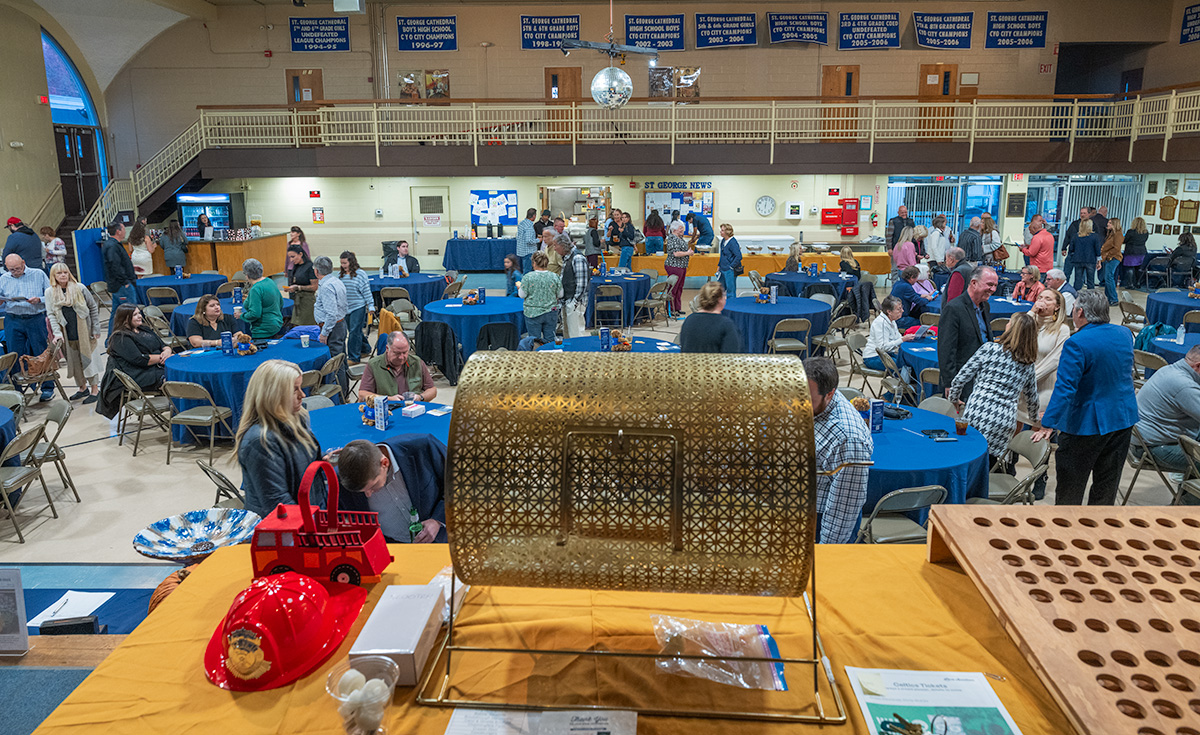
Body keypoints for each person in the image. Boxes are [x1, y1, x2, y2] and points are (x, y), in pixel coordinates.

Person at [1033, 290, 1138, 506]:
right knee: (1107, 486)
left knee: (1071, 488)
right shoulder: (1124, 333)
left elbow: (1065, 388)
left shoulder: (1076, 342)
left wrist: (1048, 423)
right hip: (1122, 418)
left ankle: (1067, 524)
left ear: (1080, 312)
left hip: (1086, 423)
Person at [234, 359, 324, 518]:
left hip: (309, 513)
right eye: (294, 390)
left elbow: (300, 465)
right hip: (288, 526)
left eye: (301, 388)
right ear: (274, 395)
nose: (302, 395)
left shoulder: (297, 418)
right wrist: (312, 526)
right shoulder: (260, 442)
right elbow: (279, 506)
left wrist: (323, 462)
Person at [948, 312, 1039, 466]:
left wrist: (954, 399)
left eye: (1010, 322)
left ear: (1012, 329)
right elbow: (1032, 399)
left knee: (969, 456)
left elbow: (961, 378)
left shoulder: (989, 349)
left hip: (978, 410)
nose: (1006, 324)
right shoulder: (1027, 364)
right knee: (990, 463)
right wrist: (1036, 419)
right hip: (1004, 420)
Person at [806, 356, 873, 544]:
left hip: (821, 521)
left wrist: (828, 553)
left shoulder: (848, 440)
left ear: (830, 394)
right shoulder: (813, 401)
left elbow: (843, 510)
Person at [335, 438, 446, 543]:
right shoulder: (344, 478)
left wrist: (437, 520)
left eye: (372, 486)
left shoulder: (423, 448)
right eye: (362, 491)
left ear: (384, 463)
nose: (368, 495)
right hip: (391, 547)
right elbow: (335, 516)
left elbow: (456, 483)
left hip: (442, 540)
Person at [1131, 344, 1200, 506]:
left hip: (1145, 438)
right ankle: (1183, 510)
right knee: (1198, 459)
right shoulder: (1184, 385)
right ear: (1198, 366)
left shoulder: (1170, 369)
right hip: (1152, 448)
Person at [938, 265, 998, 400]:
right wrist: (950, 383)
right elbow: (946, 349)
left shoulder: (985, 306)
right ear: (974, 283)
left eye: (995, 285)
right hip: (962, 379)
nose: (993, 289)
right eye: (990, 284)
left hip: (983, 376)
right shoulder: (954, 308)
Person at [0, 254, 54, 401]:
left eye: (17, 269)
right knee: (14, 354)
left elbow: (51, 295)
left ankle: (47, 387)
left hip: (35, 318)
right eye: (11, 270)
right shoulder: (4, 278)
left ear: (23, 263)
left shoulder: (38, 274)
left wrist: (39, 299)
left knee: (40, 352)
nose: (15, 272)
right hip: (13, 319)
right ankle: (17, 391)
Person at [45, 263, 101, 402]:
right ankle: (82, 388)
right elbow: (51, 314)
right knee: (74, 361)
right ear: (53, 276)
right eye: (59, 273)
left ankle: (95, 390)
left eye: (65, 272)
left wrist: (96, 328)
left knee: (89, 361)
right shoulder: (50, 292)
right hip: (67, 333)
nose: (63, 275)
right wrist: (57, 333)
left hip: (85, 332)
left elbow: (93, 307)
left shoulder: (80, 288)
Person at [1017, 288, 1071, 428]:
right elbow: (1015, 336)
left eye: (1048, 299)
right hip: (1022, 385)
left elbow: (1054, 361)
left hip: (1044, 386)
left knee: (1036, 432)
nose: (1042, 301)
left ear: (1057, 306)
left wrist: (1028, 380)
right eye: (1040, 297)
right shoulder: (1030, 323)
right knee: (1013, 429)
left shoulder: (1062, 329)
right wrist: (1031, 312)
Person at [357, 331, 437, 403]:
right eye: (397, 353)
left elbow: (432, 390)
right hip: (387, 410)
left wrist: (420, 397)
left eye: (405, 352)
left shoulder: (417, 362)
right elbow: (362, 394)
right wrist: (388, 399)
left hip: (413, 409)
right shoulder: (374, 365)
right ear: (387, 349)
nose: (401, 357)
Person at [106, 304, 169, 392]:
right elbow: (139, 359)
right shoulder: (120, 337)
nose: (140, 316)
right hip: (139, 373)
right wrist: (164, 358)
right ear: (125, 319)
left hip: (155, 365)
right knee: (172, 377)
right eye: (135, 315)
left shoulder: (144, 329)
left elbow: (162, 344)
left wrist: (167, 351)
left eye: (139, 313)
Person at [313, 255, 349, 395]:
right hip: (340, 324)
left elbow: (331, 314)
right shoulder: (336, 281)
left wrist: (324, 333)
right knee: (341, 360)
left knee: (335, 364)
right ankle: (344, 393)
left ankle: (340, 397)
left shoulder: (327, 286)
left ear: (316, 271)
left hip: (332, 328)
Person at [679, 282, 740, 353]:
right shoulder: (726, 325)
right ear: (720, 300)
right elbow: (731, 355)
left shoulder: (689, 320)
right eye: (724, 295)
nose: (725, 298)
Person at [101, 220, 137, 336]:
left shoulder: (111, 244)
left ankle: (110, 339)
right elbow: (115, 265)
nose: (125, 231)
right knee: (130, 312)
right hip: (121, 286)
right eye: (124, 229)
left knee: (116, 313)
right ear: (118, 231)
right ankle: (132, 336)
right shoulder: (112, 246)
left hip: (118, 285)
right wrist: (125, 281)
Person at [519, 250, 561, 346]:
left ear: (534, 263)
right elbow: (560, 294)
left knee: (535, 340)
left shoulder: (528, 277)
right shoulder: (554, 276)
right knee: (550, 339)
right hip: (551, 312)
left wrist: (519, 287)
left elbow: (522, 295)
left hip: (533, 313)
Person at [338, 251, 373, 364]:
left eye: (345, 263)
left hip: (358, 306)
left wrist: (371, 305)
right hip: (346, 308)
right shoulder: (340, 275)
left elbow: (366, 291)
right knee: (355, 331)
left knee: (353, 332)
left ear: (351, 262)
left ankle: (354, 357)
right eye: (341, 263)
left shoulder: (360, 274)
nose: (343, 265)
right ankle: (365, 349)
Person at [863, 295, 915, 370]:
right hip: (873, 357)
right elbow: (882, 347)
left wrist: (909, 338)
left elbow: (898, 337)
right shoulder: (881, 323)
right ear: (889, 312)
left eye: (902, 308)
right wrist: (903, 339)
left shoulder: (892, 320)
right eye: (899, 309)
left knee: (909, 362)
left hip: (886, 353)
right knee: (902, 368)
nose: (902, 311)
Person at [555, 231, 589, 338]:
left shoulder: (577, 258)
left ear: (562, 245)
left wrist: (575, 302)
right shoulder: (567, 257)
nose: (554, 249)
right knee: (567, 333)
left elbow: (582, 284)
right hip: (566, 300)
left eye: (555, 246)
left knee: (576, 334)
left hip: (574, 303)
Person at [241, 257, 283, 339]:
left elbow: (254, 314)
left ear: (246, 275)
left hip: (262, 330)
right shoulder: (270, 281)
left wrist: (241, 316)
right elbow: (281, 302)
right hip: (276, 325)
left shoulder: (256, 289)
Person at [663, 220, 693, 314]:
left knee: (679, 288)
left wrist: (688, 252)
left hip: (681, 266)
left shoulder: (679, 238)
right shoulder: (672, 238)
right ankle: (670, 309)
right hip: (674, 265)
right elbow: (676, 253)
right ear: (674, 229)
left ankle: (677, 308)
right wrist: (687, 253)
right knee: (673, 288)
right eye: (680, 228)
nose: (682, 230)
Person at [286, 245, 318, 325]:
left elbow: (314, 287)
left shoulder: (310, 267)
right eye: (289, 257)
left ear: (300, 254)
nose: (291, 260)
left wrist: (298, 287)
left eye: (293, 257)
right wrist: (291, 288)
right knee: (296, 324)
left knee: (307, 325)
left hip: (307, 301)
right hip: (297, 300)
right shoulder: (296, 266)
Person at [1060, 206, 1089, 286]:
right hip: (1072, 252)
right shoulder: (1074, 224)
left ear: (1088, 214)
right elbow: (1068, 236)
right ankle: (1064, 288)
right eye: (1081, 213)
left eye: (1084, 213)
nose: (1082, 215)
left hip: (1083, 255)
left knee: (1080, 276)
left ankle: (1077, 291)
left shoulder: (1091, 225)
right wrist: (1064, 247)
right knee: (1066, 273)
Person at [1070, 218, 1101, 290]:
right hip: (1090, 260)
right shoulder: (1095, 236)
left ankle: (1076, 294)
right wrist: (1099, 261)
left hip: (1077, 260)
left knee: (1078, 280)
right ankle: (1090, 295)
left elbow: (1071, 248)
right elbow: (1097, 250)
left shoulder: (1075, 236)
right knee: (1090, 281)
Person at [1100, 217, 1124, 305]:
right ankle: (1108, 298)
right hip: (1108, 258)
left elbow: (1116, 248)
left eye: (1110, 223)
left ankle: (1114, 299)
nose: (1108, 224)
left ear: (1115, 224)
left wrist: (1108, 254)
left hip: (1113, 258)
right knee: (1107, 278)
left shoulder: (1118, 235)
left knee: (1109, 278)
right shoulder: (1111, 234)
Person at [1122, 217, 1149, 287]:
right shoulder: (1146, 233)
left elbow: (1124, 241)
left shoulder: (1130, 232)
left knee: (1130, 268)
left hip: (1131, 251)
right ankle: (1138, 283)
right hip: (1142, 252)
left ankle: (1130, 284)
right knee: (1138, 268)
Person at [716, 223, 742, 295]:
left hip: (730, 270)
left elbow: (739, 256)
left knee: (730, 290)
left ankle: (732, 302)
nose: (720, 232)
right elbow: (722, 255)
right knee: (720, 289)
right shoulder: (723, 241)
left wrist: (731, 266)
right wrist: (719, 266)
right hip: (722, 268)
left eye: (722, 230)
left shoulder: (733, 243)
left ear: (727, 232)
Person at [516, 208, 538, 275]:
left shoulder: (522, 223)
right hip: (528, 252)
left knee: (524, 271)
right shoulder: (529, 226)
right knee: (527, 272)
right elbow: (529, 240)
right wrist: (539, 240)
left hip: (521, 251)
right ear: (534, 216)